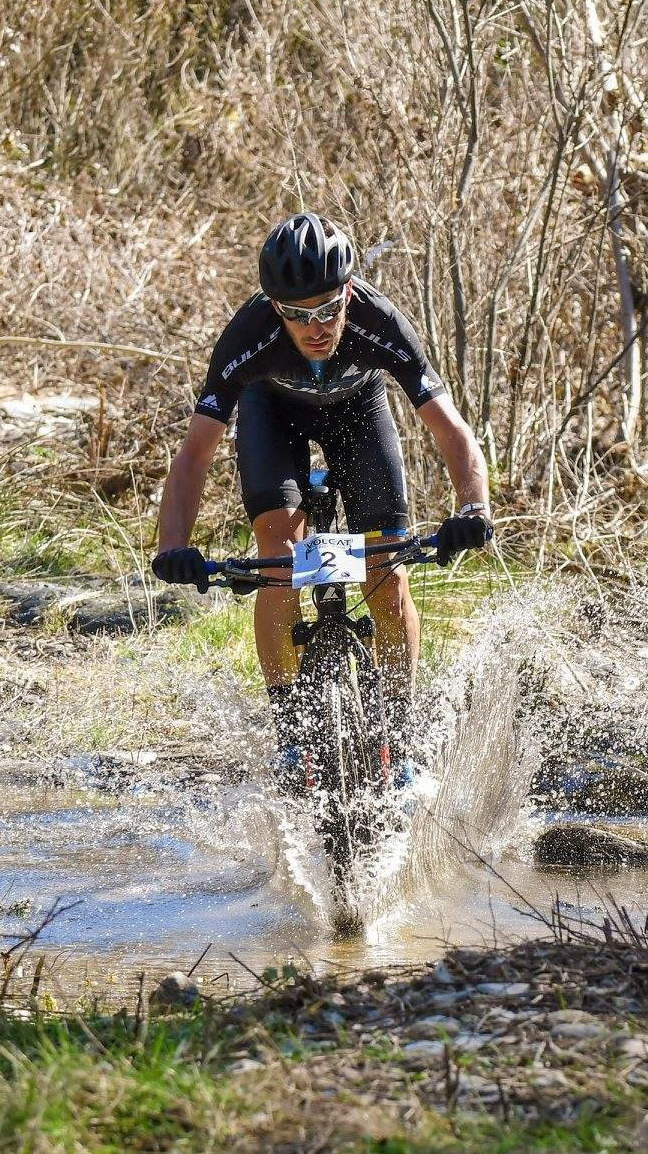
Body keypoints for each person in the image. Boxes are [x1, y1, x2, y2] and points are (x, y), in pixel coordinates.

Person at [152, 212, 492, 795]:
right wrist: (173, 548)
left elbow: (449, 428)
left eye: (329, 308)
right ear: (273, 306)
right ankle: (290, 733)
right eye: (297, 314)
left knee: (384, 567)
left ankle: (399, 735)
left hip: (359, 411)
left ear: (349, 290)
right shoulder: (248, 335)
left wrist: (473, 508)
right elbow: (193, 458)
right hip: (273, 414)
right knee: (280, 557)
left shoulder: (378, 321)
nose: (316, 326)